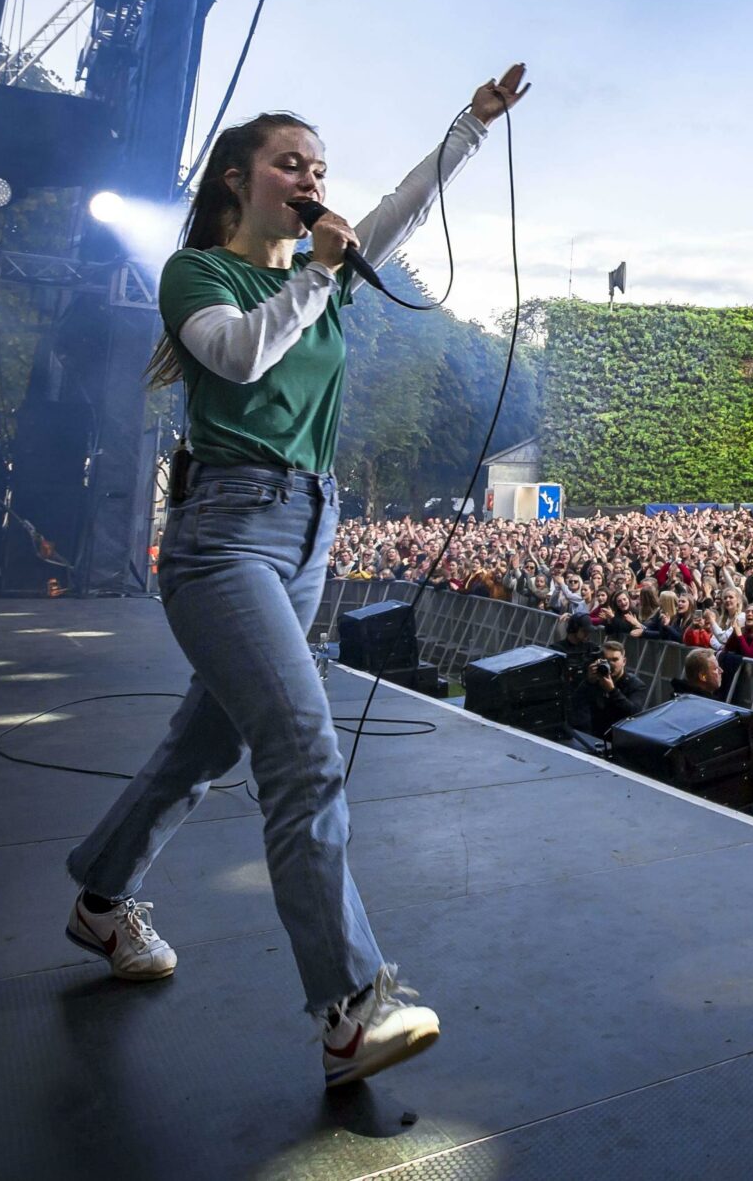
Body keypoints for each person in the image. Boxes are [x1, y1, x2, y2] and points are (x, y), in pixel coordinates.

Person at [63, 65, 528, 1090]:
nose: (312, 179)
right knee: (303, 749)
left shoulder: (329, 268)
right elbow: (237, 359)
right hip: (224, 535)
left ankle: (100, 900)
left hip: (309, 526)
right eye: (290, 163)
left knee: (204, 745)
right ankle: (351, 1008)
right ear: (239, 180)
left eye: (319, 167)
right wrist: (314, 275)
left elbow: (402, 208)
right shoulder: (199, 274)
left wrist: (470, 126)